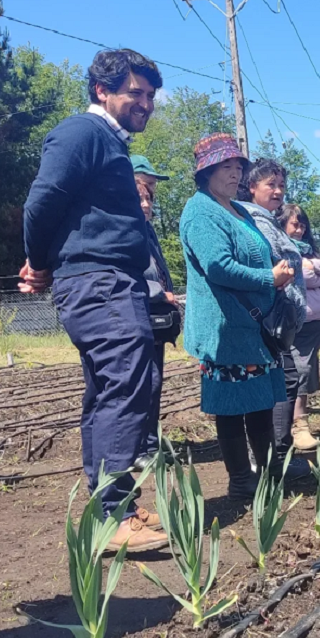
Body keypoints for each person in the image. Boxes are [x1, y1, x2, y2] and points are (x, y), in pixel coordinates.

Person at [21, 49, 168, 552]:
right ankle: (112, 516)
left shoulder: (110, 142)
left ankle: (116, 507)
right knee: (128, 382)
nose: (146, 103)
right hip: (99, 281)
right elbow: (42, 201)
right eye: (136, 93)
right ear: (102, 91)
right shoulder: (82, 133)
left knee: (110, 390)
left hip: (108, 280)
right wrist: (38, 262)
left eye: (150, 95)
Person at [179, 133, 294, 501]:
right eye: (227, 167)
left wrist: (276, 276)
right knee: (231, 409)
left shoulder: (239, 210)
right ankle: (242, 482)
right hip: (225, 328)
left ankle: (269, 474)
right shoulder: (200, 210)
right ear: (207, 171)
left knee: (259, 403)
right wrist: (267, 278)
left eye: (238, 167)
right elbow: (217, 266)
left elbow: (253, 253)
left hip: (251, 326)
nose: (235, 173)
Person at [236, 159, 310, 479]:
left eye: (281, 185)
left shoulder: (267, 219)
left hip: (277, 315)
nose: (278, 190)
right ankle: (274, 457)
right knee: (281, 382)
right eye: (271, 184)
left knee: (281, 382)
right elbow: (273, 263)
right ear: (252, 187)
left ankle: (275, 455)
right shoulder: (254, 220)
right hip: (269, 317)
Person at [130, 154, 180, 470]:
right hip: (138, 312)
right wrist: (160, 292)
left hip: (154, 313)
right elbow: (132, 276)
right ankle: (136, 447)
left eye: (151, 192)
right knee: (143, 381)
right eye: (144, 190)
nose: (149, 199)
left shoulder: (147, 229)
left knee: (154, 380)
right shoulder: (126, 232)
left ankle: (147, 444)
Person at [280, 203, 320, 440]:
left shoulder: (309, 252)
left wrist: (310, 266)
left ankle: (296, 422)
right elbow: (296, 276)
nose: (300, 230)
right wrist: (312, 273)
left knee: (307, 369)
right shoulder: (280, 249)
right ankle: (297, 424)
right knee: (298, 370)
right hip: (293, 321)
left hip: (316, 323)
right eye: (295, 224)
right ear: (282, 224)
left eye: (303, 225)